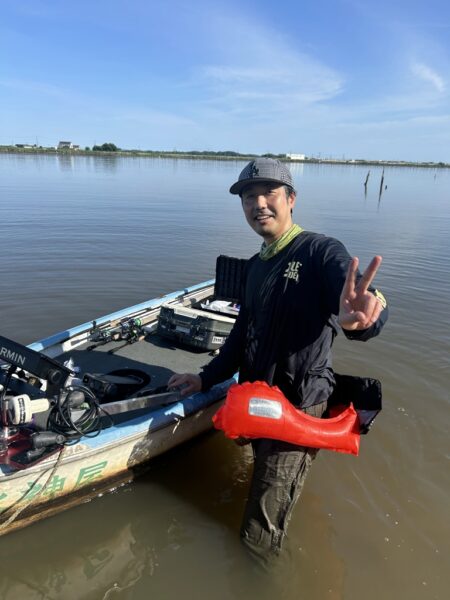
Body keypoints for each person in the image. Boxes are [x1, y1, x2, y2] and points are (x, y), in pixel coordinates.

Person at [168, 158, 388, 561]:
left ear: (291, 199)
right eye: (249, 197)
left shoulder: (321, 252)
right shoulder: (255, 266)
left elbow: (360, 301)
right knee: (265, 484)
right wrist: (205, 377)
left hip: (299, 405)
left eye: (269, 193)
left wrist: (363, 320)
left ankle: (257, 572)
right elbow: (240, 334)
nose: (258, 204)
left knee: (258, 532)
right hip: (259, 399)